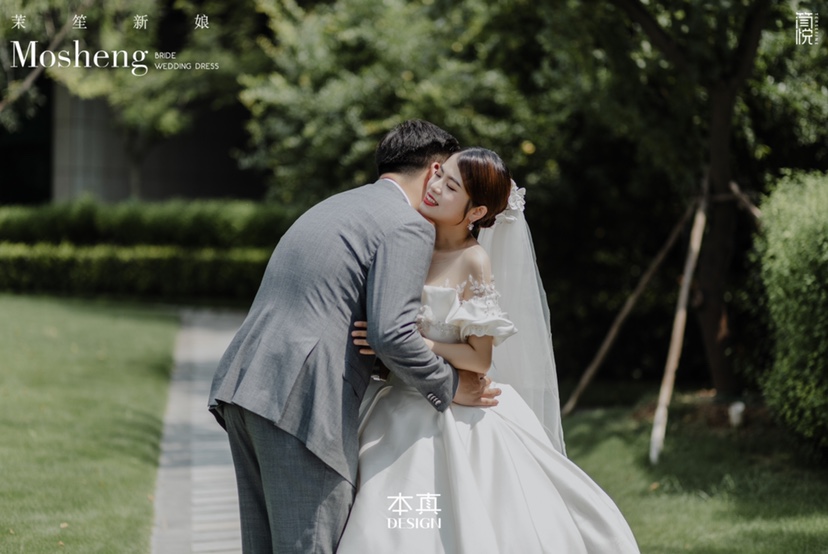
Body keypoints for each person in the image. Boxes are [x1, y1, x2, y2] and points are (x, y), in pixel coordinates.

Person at [207, 120, 500, 553]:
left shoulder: (337, 205)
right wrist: (452, 385)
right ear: (434, 169)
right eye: (445, 175)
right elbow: (391, 333)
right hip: (301, 401)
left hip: (245, 386)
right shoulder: (407, 224)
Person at [338, 148, 640, 553]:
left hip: (451, 408)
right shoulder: (409, 238)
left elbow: (479, 358)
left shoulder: (473, 261)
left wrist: (418, 342)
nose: (435, 187)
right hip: (395, 400)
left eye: (451, 186)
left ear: (477, 211)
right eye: (439, 175)